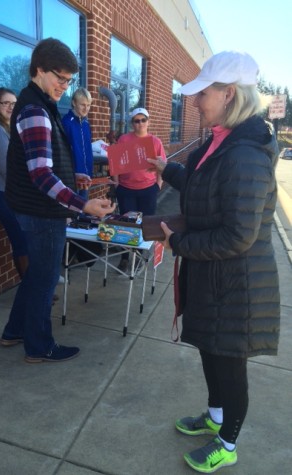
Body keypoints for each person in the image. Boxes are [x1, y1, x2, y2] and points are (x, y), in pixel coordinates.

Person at [148, 51, 280, 473]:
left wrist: (181, 243)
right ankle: (215, 416)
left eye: (202, 93)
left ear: (228, 94)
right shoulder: (223, 138)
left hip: (234, 281)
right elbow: (203, 186)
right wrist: (168, 170)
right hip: (213, 275)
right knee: (209, 349)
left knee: (228, 362)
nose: (195, 101)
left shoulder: (246, 152)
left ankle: (227, 443)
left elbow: (239, 235)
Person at [1, 38, 115, 363]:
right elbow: (40, 175)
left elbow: (44, 164)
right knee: (45, 279)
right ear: (39, 69)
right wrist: (83, 204)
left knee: (37, 274)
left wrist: (73, 177)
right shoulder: (35, 109)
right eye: (59, 78)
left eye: (68, 80)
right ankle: (39, 346)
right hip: (42, 212)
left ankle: (14, 332)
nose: (64, 86)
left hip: (35, 208)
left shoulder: (39, 103)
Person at [113, 107, 166, 272]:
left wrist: (159, 184)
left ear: (148, 122)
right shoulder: (124, 139)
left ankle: (139, 256)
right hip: (126, 189)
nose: (140, 123)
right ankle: (124, 257)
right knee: (126, 225)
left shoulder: (155, 142)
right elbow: (115, 163)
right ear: (132, 123)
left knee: (146, 225)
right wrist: (116, 184)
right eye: (137, 120)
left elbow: (162, 166)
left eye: (143, 120)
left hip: (148, 189)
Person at [0, 87, 28, 279]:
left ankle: (32, 284)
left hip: (12, 193)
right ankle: (30, 288)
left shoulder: (11, 127)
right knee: (21, 238)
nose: (10, 107)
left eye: (14, 103)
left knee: (24, 237)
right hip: (1, 194)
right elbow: (8, 169)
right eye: (5, 103)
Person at [62, 87, 94, 199]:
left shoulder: (86, 124)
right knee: (73, 210)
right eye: (83, 105)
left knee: (83, 209)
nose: (86, 108)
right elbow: (63, 152)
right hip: (73, 177)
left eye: (88, 105)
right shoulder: (66, 123)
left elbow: (87, 149)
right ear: (74, 103)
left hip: (86, 175)